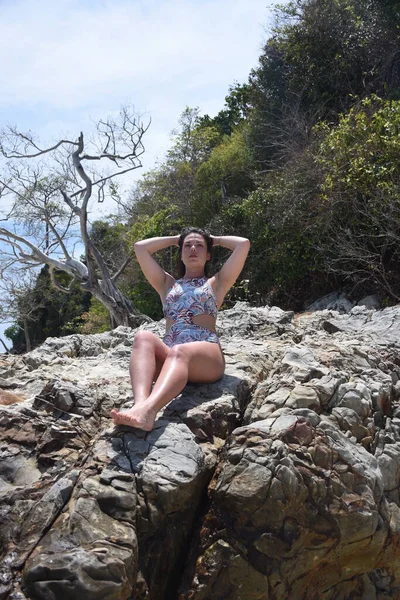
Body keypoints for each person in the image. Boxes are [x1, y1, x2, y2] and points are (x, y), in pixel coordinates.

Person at [110, 227, 250, 431]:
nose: (193, 248)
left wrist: (214, 239)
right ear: (181, 253)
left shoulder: (216, 283)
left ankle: (149, 411)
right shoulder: (167, 284)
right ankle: (140, 404)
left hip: (206, 357)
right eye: (187, 246)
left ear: (208, 254)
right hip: (172, 359)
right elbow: (140, 248)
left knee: (180, 350)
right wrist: (176, 238)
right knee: (143, 336)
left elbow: (243, 243)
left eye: (199, 246)